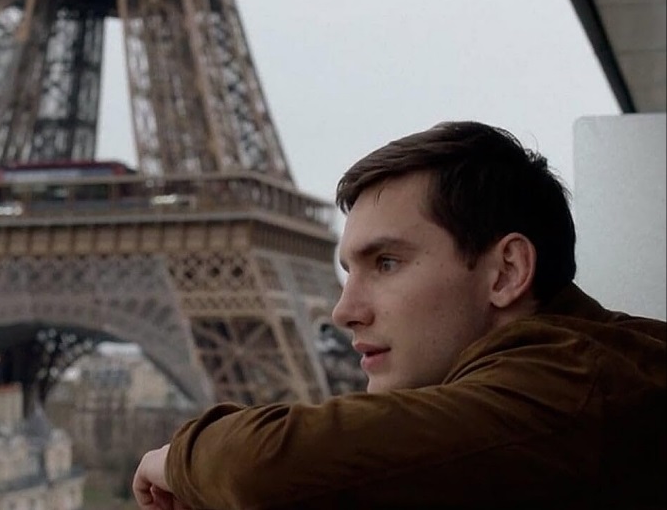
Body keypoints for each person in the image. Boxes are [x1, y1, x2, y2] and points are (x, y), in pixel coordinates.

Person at [132, 121, 666, 509]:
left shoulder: (571, 387)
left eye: (386, 263)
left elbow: (259, 465)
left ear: (506, 272)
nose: (344, 310)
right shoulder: (589, 375)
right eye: (348, 271)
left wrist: (178, 457)